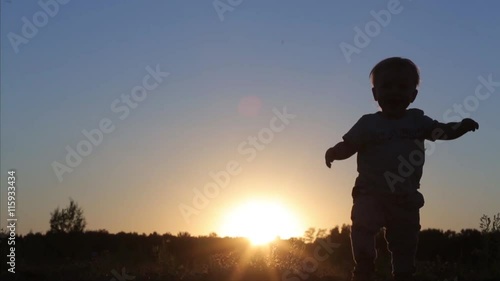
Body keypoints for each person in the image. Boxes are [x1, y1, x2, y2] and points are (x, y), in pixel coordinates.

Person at [324, 57, 479, 281]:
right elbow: (350, 145)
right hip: (370, 193)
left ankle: (404, 273)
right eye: (386, 86)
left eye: (402, 87)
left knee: (405, 240)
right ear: (375, 94)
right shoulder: (368, 124)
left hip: (404, 195)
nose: (394, 92)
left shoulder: (417, 121)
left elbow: (440, 131)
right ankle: (364, 266)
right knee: (362, 227)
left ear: (413, 95)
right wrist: (334, 152)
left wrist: (460, 127)